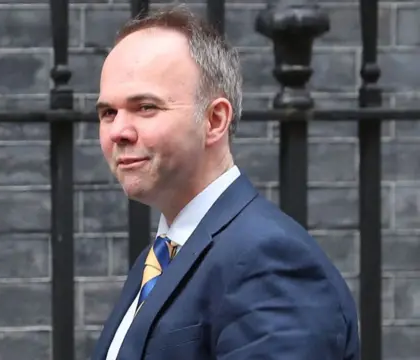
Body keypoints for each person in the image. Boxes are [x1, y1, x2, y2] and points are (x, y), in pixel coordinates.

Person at [91, 5, 360, 360]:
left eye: (145, 107)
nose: (119, 132)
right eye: (108, 112)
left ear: (215, 120)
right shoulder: (158, 259)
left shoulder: (268, 262)